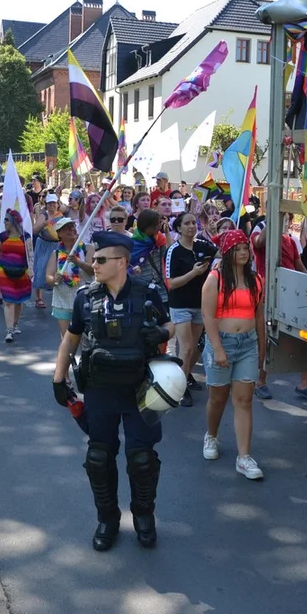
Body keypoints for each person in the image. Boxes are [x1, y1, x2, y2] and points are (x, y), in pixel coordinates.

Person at [51, 231, 174, 551]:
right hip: (100, 391)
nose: (94, 263)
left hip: (141, 390)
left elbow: (172, 325)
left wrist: (160, 331)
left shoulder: (146, 293)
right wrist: (58, 378)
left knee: (142, 458)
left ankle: (144, 517)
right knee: (98, 456)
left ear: (122, 262)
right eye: (93, 258)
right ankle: (107, 519)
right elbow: (71, 339)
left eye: (100, 259)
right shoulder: (85, 296)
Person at [200, 230, 266, 480]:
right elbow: (207, 315)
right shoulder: (214, 279)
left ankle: (244, 457)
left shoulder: (255, 280)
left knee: (244, 400)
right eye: (237, 249)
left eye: (245, 249)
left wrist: (261, 348)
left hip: (248, 343)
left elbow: (259, 316)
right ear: (228, 252)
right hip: (222, 343)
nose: (243, 253)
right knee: (217, 398)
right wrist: (217, 348)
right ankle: (212, 435)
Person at [250, 215, 307, 402]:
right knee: (266, 340)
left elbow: (298, 265)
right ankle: (260, 382)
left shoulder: (290, 241)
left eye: (286, 219)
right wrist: (273, 219)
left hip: (290, 295)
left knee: (303, 337)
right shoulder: (260, 234)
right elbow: (258, 242)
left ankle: (304, 384)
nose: (285, 222)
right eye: (282, 217)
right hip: (267, 296)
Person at [164, 212, 217, 405]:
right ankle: (179, 388)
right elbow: (171, 283)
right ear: (178, 228)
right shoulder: (173, 251)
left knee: (193, 348)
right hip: (180, 305)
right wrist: (193, 273)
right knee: (185, 348)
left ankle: (183, 376)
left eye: (194, 223)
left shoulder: (203, 245)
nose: (192, 226)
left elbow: (222, 252)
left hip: (200, 304)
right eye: (187, 223)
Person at [46, 216, 92, 341]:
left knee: (86, 338)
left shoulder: (88, 249)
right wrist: (54, 278)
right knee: (67, 338)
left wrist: (78, 262)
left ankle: (85, 360)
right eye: (66, 228)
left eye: (72, 226)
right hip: (63, 300)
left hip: (84, 300)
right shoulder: (56, 253)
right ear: (59, 233)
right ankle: (68, 360)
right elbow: (48, 278)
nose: (71, 229)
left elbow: (93, 270)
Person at [0, 208, 33, 342]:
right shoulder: (2, 236)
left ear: (14, 221)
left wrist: (31, 270)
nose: (4, 222)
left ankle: (16, 324)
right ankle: (9, 330)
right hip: (4, 271)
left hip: (22, 272)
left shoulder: (25, 237)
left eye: (6, 219)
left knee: (18, 300)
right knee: (9, 301)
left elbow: (30, 255)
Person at [32, 194, 63, 309]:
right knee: (40, 269)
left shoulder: (60, 215)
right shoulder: (43, 215)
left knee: (58, 270)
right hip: (44, 245)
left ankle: (57, 297)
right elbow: (34, 230)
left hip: (57, 244)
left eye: (54, 203)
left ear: (57, 204)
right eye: (50, 203)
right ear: (46, 204)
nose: (52, 205)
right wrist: (43, 224)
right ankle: (39, 298)